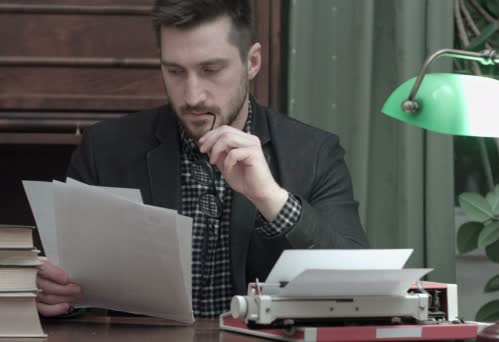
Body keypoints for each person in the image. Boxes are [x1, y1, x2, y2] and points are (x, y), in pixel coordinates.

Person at [36, 0, 368, 319]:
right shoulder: (104, 149)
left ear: (252, 62)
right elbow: (64, 285)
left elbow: (361, 284)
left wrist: (272, 199)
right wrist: (57, 296)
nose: (192, 95)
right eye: (175, 71)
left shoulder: (314, 153)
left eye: (211, 69)